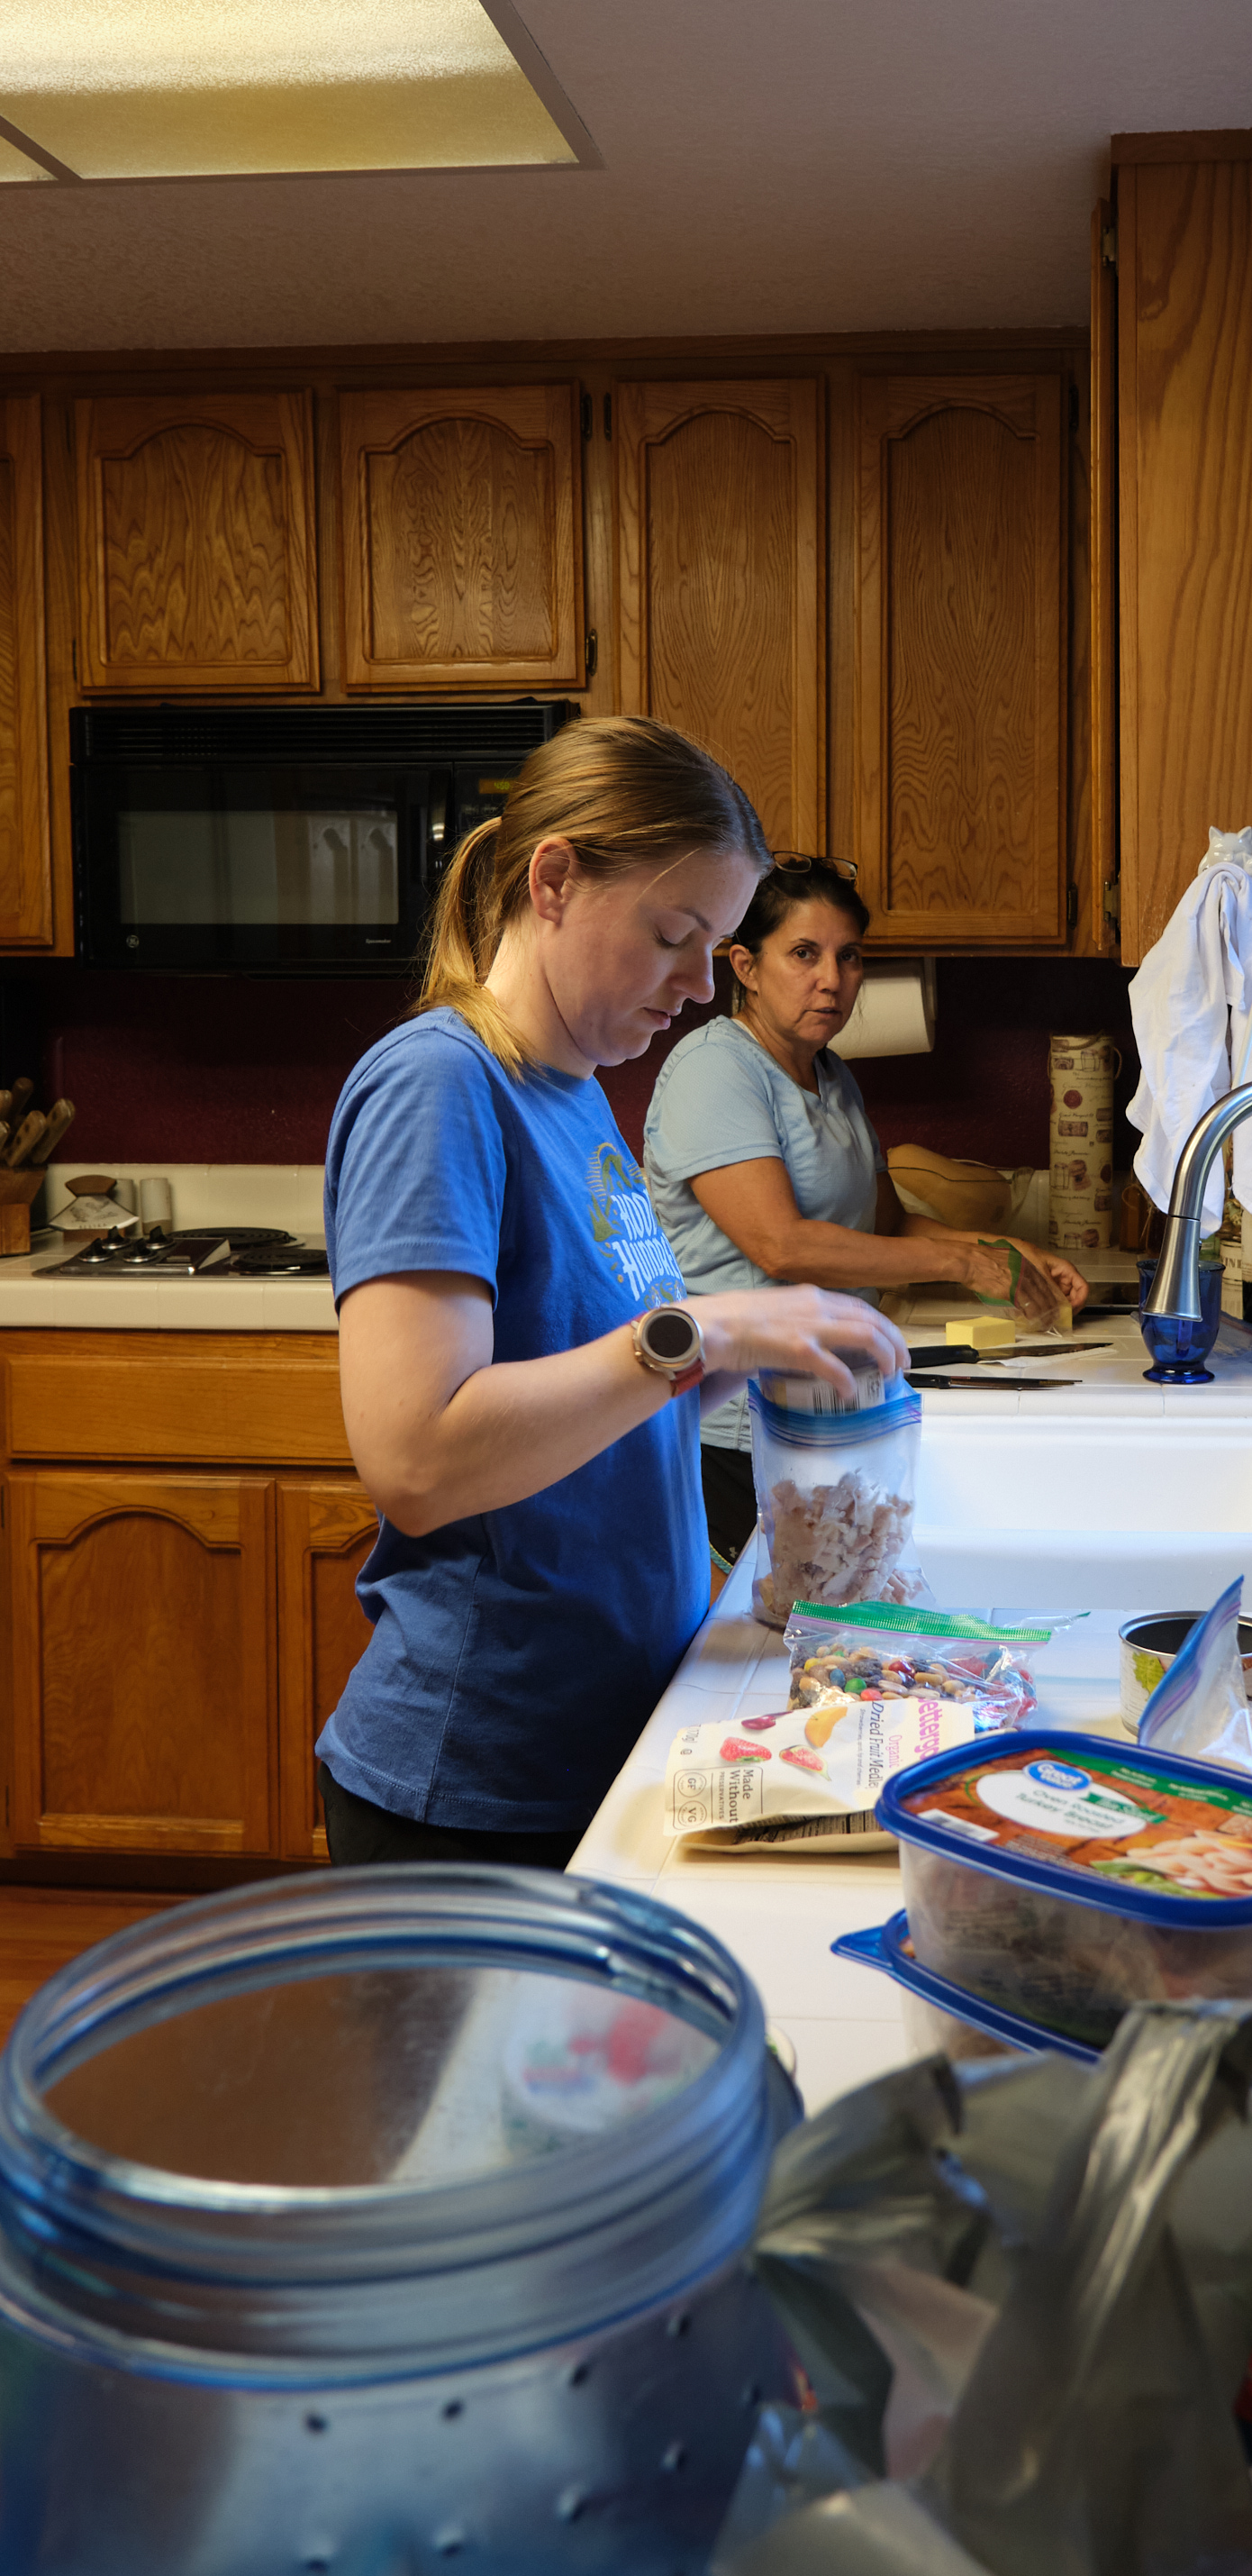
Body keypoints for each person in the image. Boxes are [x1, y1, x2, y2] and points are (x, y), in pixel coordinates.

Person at [317, 720, 908, 1869]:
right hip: (477, 1783)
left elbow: (596, 1413)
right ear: (553, 881)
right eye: (673, 936)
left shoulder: (577, 1090)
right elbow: (417, 1461)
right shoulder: (438, 1083)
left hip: (611, 1735)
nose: (698, 983)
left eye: (716, 945)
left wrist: (743, 1357)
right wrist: (698, 1331)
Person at [644, 856, 1085, 1565]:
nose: (832, 978)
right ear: (746, 967)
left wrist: (1003, 1252)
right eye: (804, 953)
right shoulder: (714, 1069)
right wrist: (960, 1262)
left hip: (832, 1406)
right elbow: (782, 1245)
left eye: (849, 957)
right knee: (777, 1617)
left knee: (835, 1610)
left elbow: (887, 1224)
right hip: (736, 1426)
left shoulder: (831, 1074)